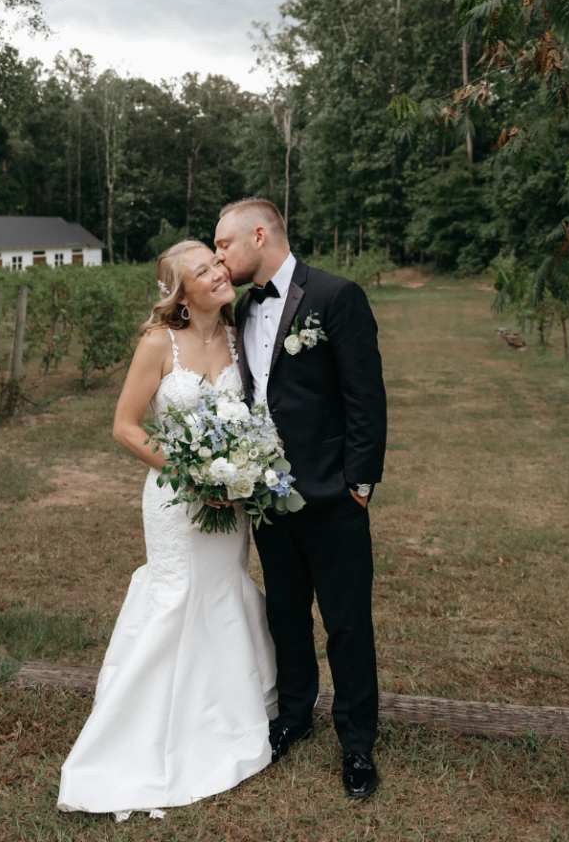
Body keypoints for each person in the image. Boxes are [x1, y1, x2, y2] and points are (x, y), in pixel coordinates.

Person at [58, 240, 277, 820]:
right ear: (181, 296)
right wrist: (193, 471)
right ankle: (143, 729)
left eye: (217, 262)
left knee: (222, 589)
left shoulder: (239, 338)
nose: (218, 272)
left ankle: (226, 709)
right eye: (202, 271)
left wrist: (236, 469)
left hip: (228, 503)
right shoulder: (159, 344)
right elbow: (126, 427)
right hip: (176, 500)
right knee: (175, 593)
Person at [214, 198, 387, 801]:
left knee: (345, 624)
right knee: (285, 613)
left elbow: (366, 396)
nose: (219, 258)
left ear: (259, 236)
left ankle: (357, 742)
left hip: (335, 497)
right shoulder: (240, 308)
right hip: (269, 498)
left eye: (224, 245)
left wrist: (358, 485)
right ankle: (293, 714)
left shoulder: (337, 297)